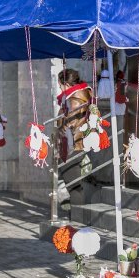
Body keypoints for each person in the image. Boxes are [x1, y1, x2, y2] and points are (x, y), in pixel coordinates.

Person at [56, 69, 93, 205]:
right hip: (76, 144)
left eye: (60, 85)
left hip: (73, 146)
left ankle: (78, 220)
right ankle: (78, 219)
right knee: (75, 186)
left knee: (74, 187)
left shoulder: (74, 100)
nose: (59, 88)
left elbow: (67, 125)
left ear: (66, 84)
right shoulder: (79, 96)